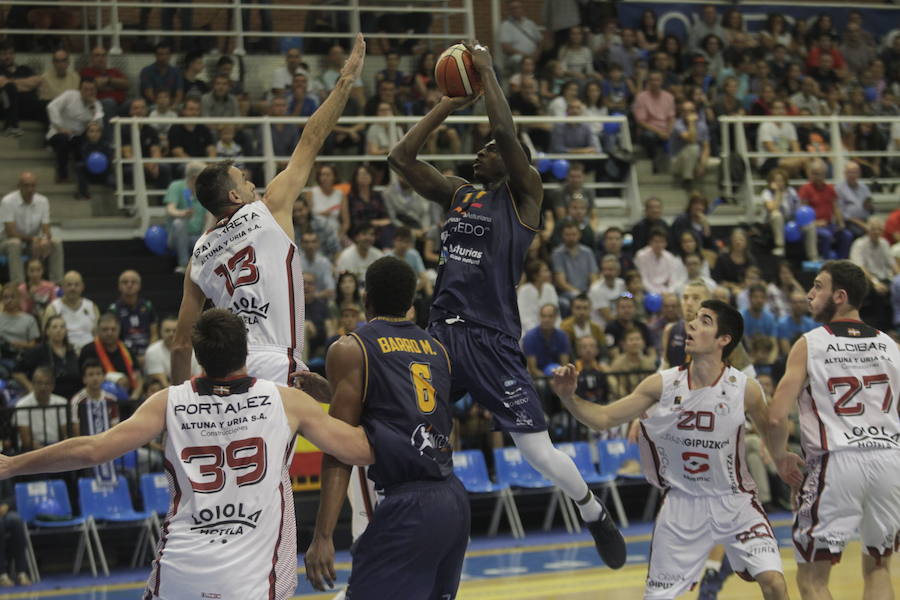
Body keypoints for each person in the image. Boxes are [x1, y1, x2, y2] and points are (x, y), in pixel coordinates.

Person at [388, 40, 626, 566]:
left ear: (515, 161)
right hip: (441, 336)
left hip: (492, 337)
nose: (480, 152)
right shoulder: (457, 194)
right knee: (405, 430)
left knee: (538, 452)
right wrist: (449, 101)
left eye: (489, 151)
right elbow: (399, 157)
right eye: (480, 150)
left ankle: (593, 512)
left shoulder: (524, 195)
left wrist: (488, 73)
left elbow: (504, 131)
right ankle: (401, 534)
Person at [0, 309, 373, 600]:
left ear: (199, 357)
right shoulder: (286, 400)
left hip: (180, 571)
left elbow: (92, 449)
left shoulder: (169, 400)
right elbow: (360, 449)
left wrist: (14, 464)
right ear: (246, 349)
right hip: (250, 580)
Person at [551, 300, 788, 599]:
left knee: (775, 584)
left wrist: (784, 459)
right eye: (694, 319)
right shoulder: (662, 385)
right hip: (681, 506)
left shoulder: (745, 388)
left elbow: (772, 433)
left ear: (723, 340)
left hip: (735, 500)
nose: (691, 325)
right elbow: (604, 418)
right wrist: (569, 398)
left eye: (705, 321)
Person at [172, 35, 366, 387]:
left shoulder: (198, 255)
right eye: (245, 180)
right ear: (234, 195)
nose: (253, 185)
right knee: (351, 434)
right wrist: (346, 81)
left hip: (228, 373)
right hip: (279, 362)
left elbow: (181, 344)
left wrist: (177, 401)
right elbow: (311, 139)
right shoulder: (268, 209)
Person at [304, 256, 468, 598]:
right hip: (452, 500)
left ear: (366, 299)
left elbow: (339, 447)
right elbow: (402, 406)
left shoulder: (351, 347)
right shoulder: (437, 349)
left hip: (408, 505)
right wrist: (332, 392)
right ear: (410, 305)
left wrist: (323, 536)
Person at [768, 260, 900, 600]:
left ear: (839, 296)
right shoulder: (889, 344)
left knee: (812, 578)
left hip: (837, 461)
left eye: (817, 287)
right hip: (890, 460)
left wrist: (780, 455)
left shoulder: (811, 343)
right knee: (880, 567)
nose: (809, 294)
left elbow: (776, 416)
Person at [1, 172, 64, 284]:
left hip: (32, 241)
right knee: (15, 243)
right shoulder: (7, 201)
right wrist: (33, 239)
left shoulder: (43, 201)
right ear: (19, 186)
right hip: (6, 242)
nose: (30, 189)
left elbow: (46, 228)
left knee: (56, 243)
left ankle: (56, 284)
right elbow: (11, 232)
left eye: (33, 185)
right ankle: (19, 284)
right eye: (26, 185)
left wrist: (44, 239)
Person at [46, 78, 103, 183]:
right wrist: (60, 127)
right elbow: (51, 107)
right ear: (80, 90)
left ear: (96, 91)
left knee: (85, 142)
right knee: (63, 140)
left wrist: (93, 109)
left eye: (92, 90)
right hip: (58, 133)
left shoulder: (96, 104)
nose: (89, 92)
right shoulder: (69, 95)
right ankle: (62, 176)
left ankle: (86, 176)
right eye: (86, 89)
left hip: (77, 136)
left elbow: (98, 126)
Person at [79, 312, 142, 401]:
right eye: (105, 329)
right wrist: (115, 379)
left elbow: (138, 376)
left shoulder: (127, 350)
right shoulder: (88, 350)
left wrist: (135, 396)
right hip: (100, 399)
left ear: (119, 330)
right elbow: (86, 377)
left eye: (113, 329)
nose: (109, 333)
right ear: (98, 330)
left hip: (128, 400)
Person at [108, 270, 158, 364]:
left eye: (133, 282)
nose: (129, 285)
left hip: (147, 353)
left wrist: (149, 355)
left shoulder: (147, 306)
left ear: (139, 286)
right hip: (123, 354)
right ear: (119, 286)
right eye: (125, 282)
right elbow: (112, 337)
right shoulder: (114, 309)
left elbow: (154, 334)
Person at [42, 271, 99, 352]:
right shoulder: (53, 308)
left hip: (89, 354)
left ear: (82, 287)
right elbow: (46, 337)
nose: (73, 288)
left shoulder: (92, 307)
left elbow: (98, 335)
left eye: (76, 285)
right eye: (69, 285)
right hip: (63, 353)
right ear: (62, 287)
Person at [15, 367, 68, 451]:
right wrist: (46, 453)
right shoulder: (22, 405)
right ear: (33, 384)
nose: (43, 387)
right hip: (32, 450)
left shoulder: (62, 403)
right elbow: (26, 441)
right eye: (39, 383)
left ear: (53, 385)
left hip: (57, 447)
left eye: (47, 383)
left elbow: (66, 434)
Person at [143, 316, 199, 386]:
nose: (171, 334)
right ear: (160, 332)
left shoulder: (194, 351)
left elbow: (198, 379)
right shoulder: (152, 351)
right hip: (162, 391)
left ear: (180, 332)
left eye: (174, 331)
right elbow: (162, 383)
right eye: (167, 331)